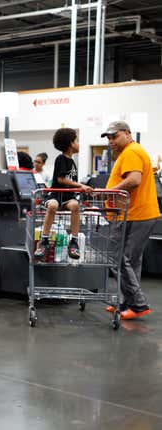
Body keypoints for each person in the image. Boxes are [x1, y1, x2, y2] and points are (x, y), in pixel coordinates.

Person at [102, 121, 160, 320]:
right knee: (131, 261)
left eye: (114, 136)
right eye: (108, 138)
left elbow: (134, 180)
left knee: (117, 258)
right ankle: (128, 302)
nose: (111, 141)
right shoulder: (131, 151)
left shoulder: (131, 152)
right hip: (137, 214)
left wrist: (107, 192)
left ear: (127, 133)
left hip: (136, 214)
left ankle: (138, 304)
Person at [34, 128, 92, 261]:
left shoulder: (72, 162)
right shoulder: (61, 158)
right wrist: (81, 185)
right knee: (53, 206)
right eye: (76, 140)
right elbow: (61, 179)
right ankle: (44, 240)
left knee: (75, 205)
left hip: (68, 198)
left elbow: (71, 182)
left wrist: (83, 189)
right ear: (71, 143)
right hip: (56, 196)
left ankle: (74, 241)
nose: (78, 143)